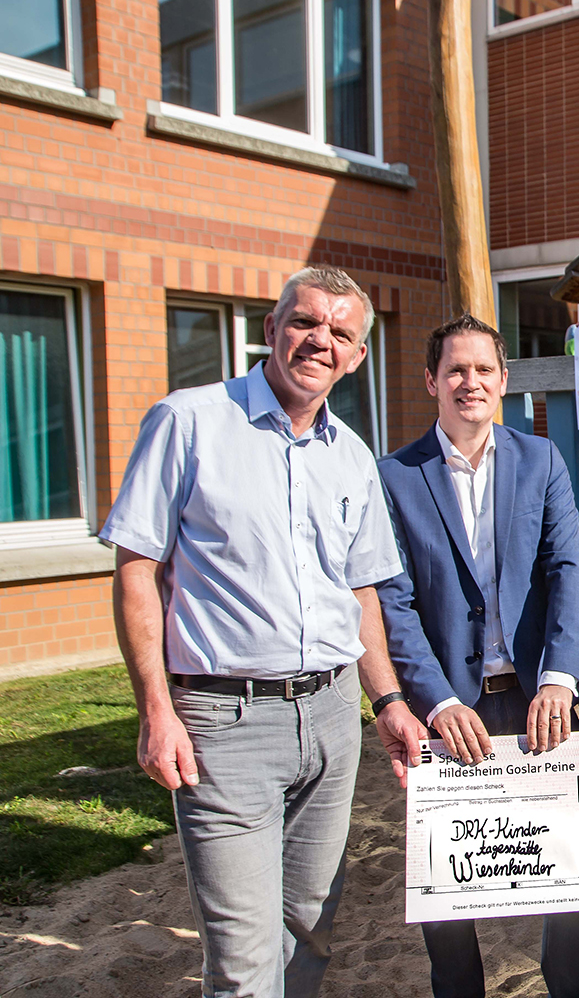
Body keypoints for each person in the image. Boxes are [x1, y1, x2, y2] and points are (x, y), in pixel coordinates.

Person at [101, 265, 429, 997]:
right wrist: (156, 710)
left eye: (340, 333)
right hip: (225, 721)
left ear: (358, 355)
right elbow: (135, 570)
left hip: (334, 715)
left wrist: (389, 702)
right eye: (305, 322)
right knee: (246, 964)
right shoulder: (188, 421)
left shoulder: (350, 455)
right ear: (273, 326)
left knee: (310, 931)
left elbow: (360, 592)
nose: (320, 341)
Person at [375, 314, 579, 998]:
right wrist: (436, 701)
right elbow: (393, 601)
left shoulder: (542, 460)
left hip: (539, 700)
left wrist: (560, 680)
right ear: (432, 382)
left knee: (569, 878)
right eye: (456, 370)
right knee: (447, 890)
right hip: (447, 711)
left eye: (483, 370)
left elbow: (567, 569)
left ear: (504, 380)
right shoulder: (395, 476)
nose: (470, 382)